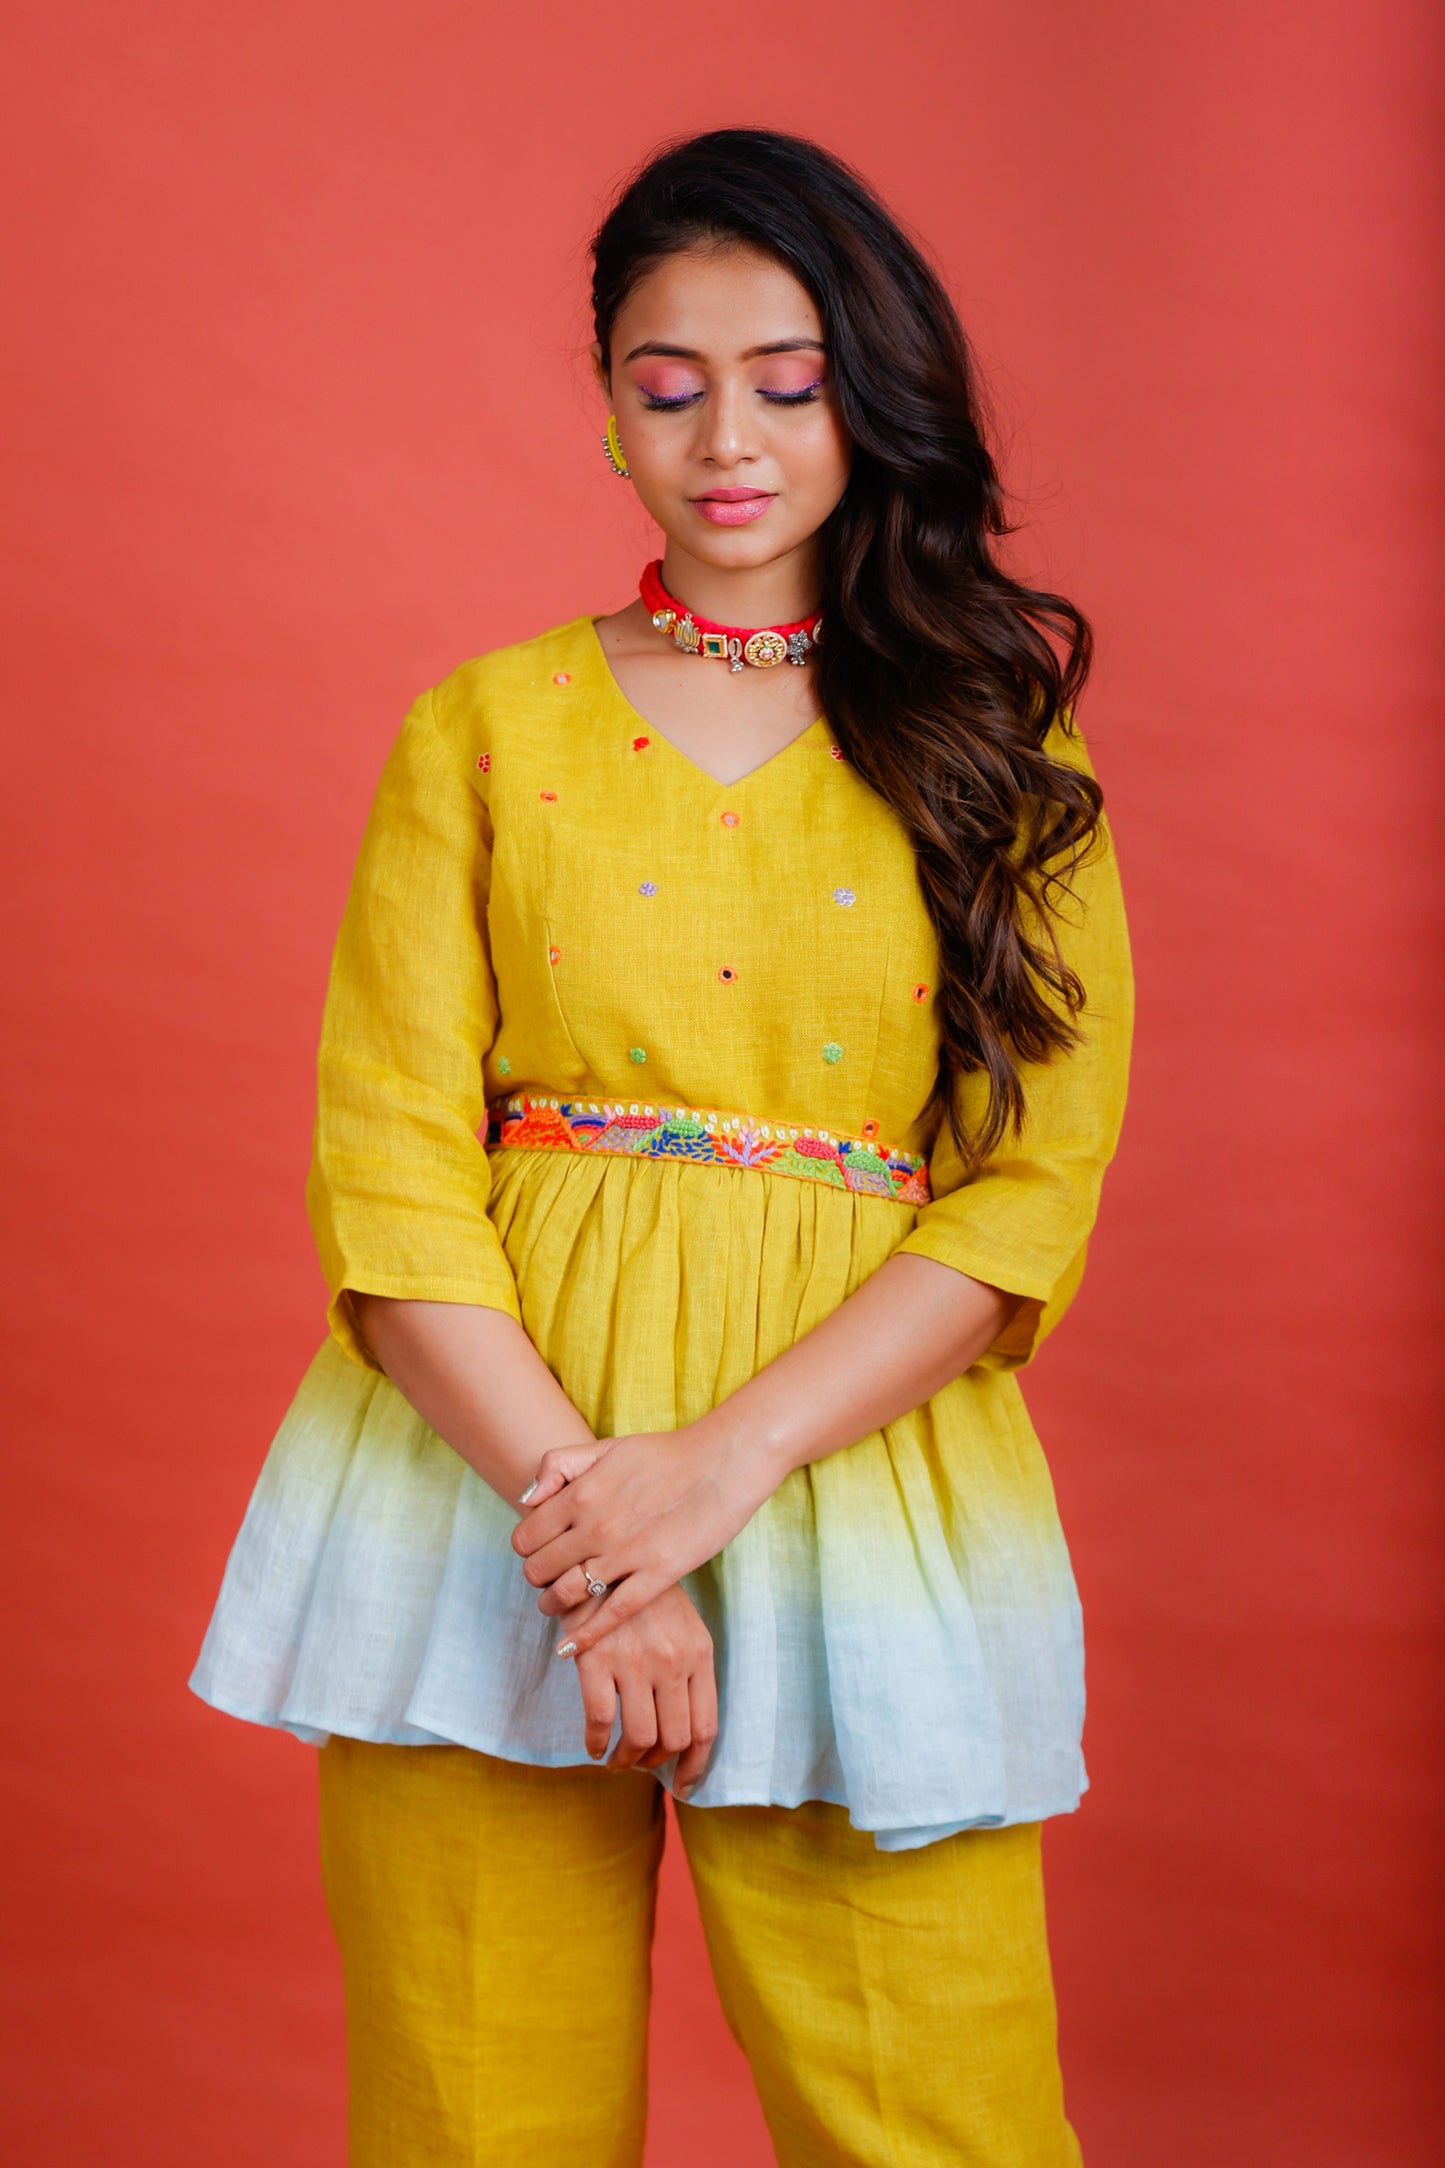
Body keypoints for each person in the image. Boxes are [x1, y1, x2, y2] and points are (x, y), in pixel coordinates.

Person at [192, 125, 1132, 2167]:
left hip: (857, 1491)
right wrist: (597, 1545)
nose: (727, 440)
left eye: (786, 384)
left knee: (937, 2118)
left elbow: (1028, 1191)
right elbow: (390, 1177)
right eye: (667, 382)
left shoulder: (999, 747)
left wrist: (708, 1475)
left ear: (867, 398)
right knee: (475, 2115)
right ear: (607, 405)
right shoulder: (484, 729)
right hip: (482, 1503)